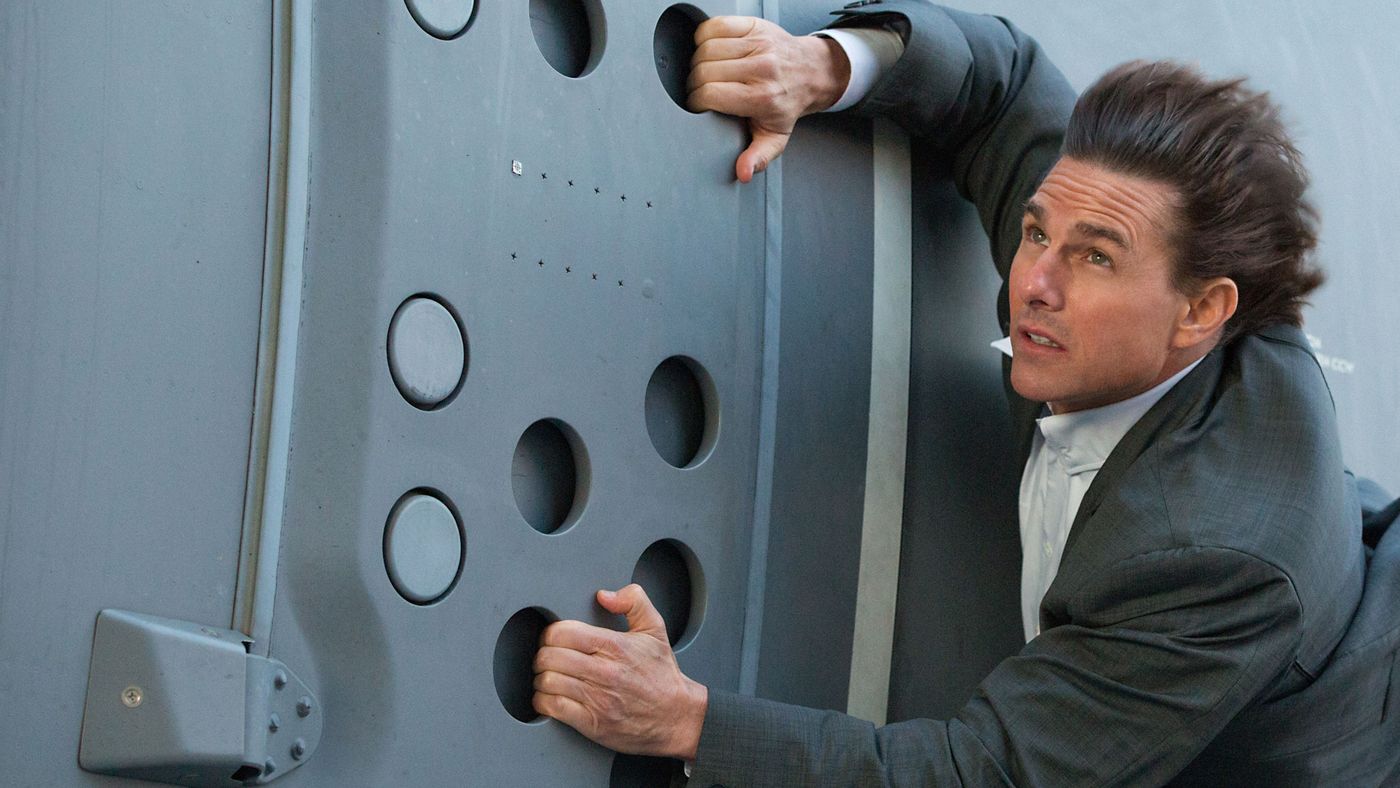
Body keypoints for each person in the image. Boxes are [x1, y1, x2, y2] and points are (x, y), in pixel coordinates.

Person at [530, 2, 1400, 784]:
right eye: (1036, 232)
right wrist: (817, 66)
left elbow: (988, 774)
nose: (1035, 283)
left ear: (1202, 311)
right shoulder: (1102, 220)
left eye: (1095, 258)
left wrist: (687, 722)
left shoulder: (1210, 558)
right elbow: (1005, 82)